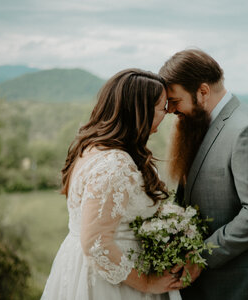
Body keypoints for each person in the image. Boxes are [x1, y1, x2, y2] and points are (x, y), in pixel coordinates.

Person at [159, 49, 248, 299]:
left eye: (175, 101)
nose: (171, 110)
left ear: (203, 92)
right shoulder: (203, 125)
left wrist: (202, 256)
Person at [41, 68, 182, 300]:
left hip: (80, 267)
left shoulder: (91, 148)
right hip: (112, 285)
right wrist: (146, 283)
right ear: (140, 111)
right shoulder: (115, 164)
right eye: (162, 107)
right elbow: (96, 244)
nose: (166, 113)